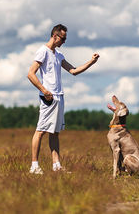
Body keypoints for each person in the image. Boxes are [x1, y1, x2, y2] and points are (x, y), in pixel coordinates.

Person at [27, 24, 100, 174]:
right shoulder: (43, 51)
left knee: (55, 132)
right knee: (40, 130)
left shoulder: (58, 55)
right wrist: (44, 90)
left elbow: (73, 71)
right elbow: (31, 74)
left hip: (59, 97)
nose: (64, 41)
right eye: (63, 38)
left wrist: (91, 62)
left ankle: (56, 166)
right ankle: (34, 166)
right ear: (55, 36)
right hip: (48, 97)